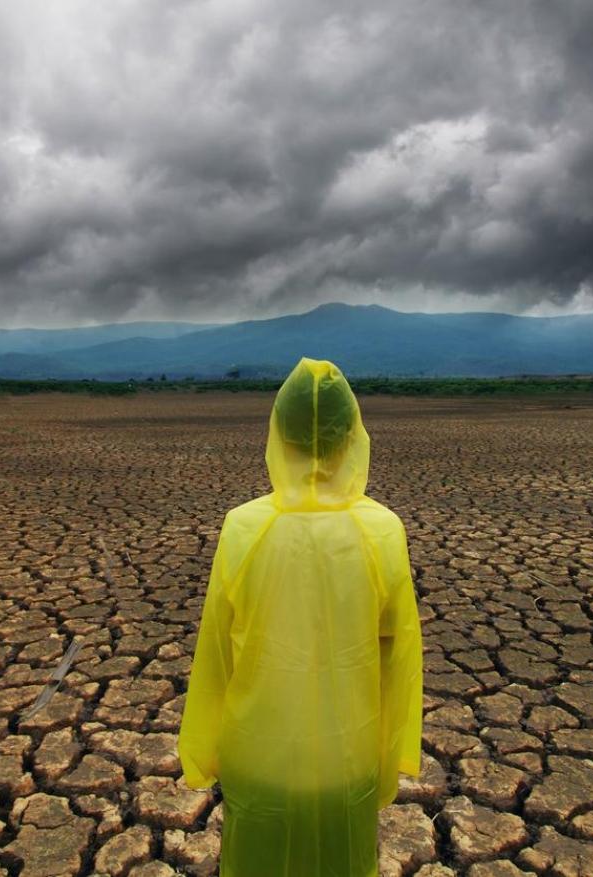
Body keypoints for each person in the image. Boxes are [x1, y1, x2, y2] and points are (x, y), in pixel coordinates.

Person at [178, 356, 423, 877]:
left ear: (279, 436)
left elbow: (217, 651)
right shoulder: (382, 531)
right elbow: (399, 657)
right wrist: (387, 758)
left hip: (259, 754)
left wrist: (204, 748)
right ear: (350, 437)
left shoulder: (243, 527)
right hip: (347, 755)